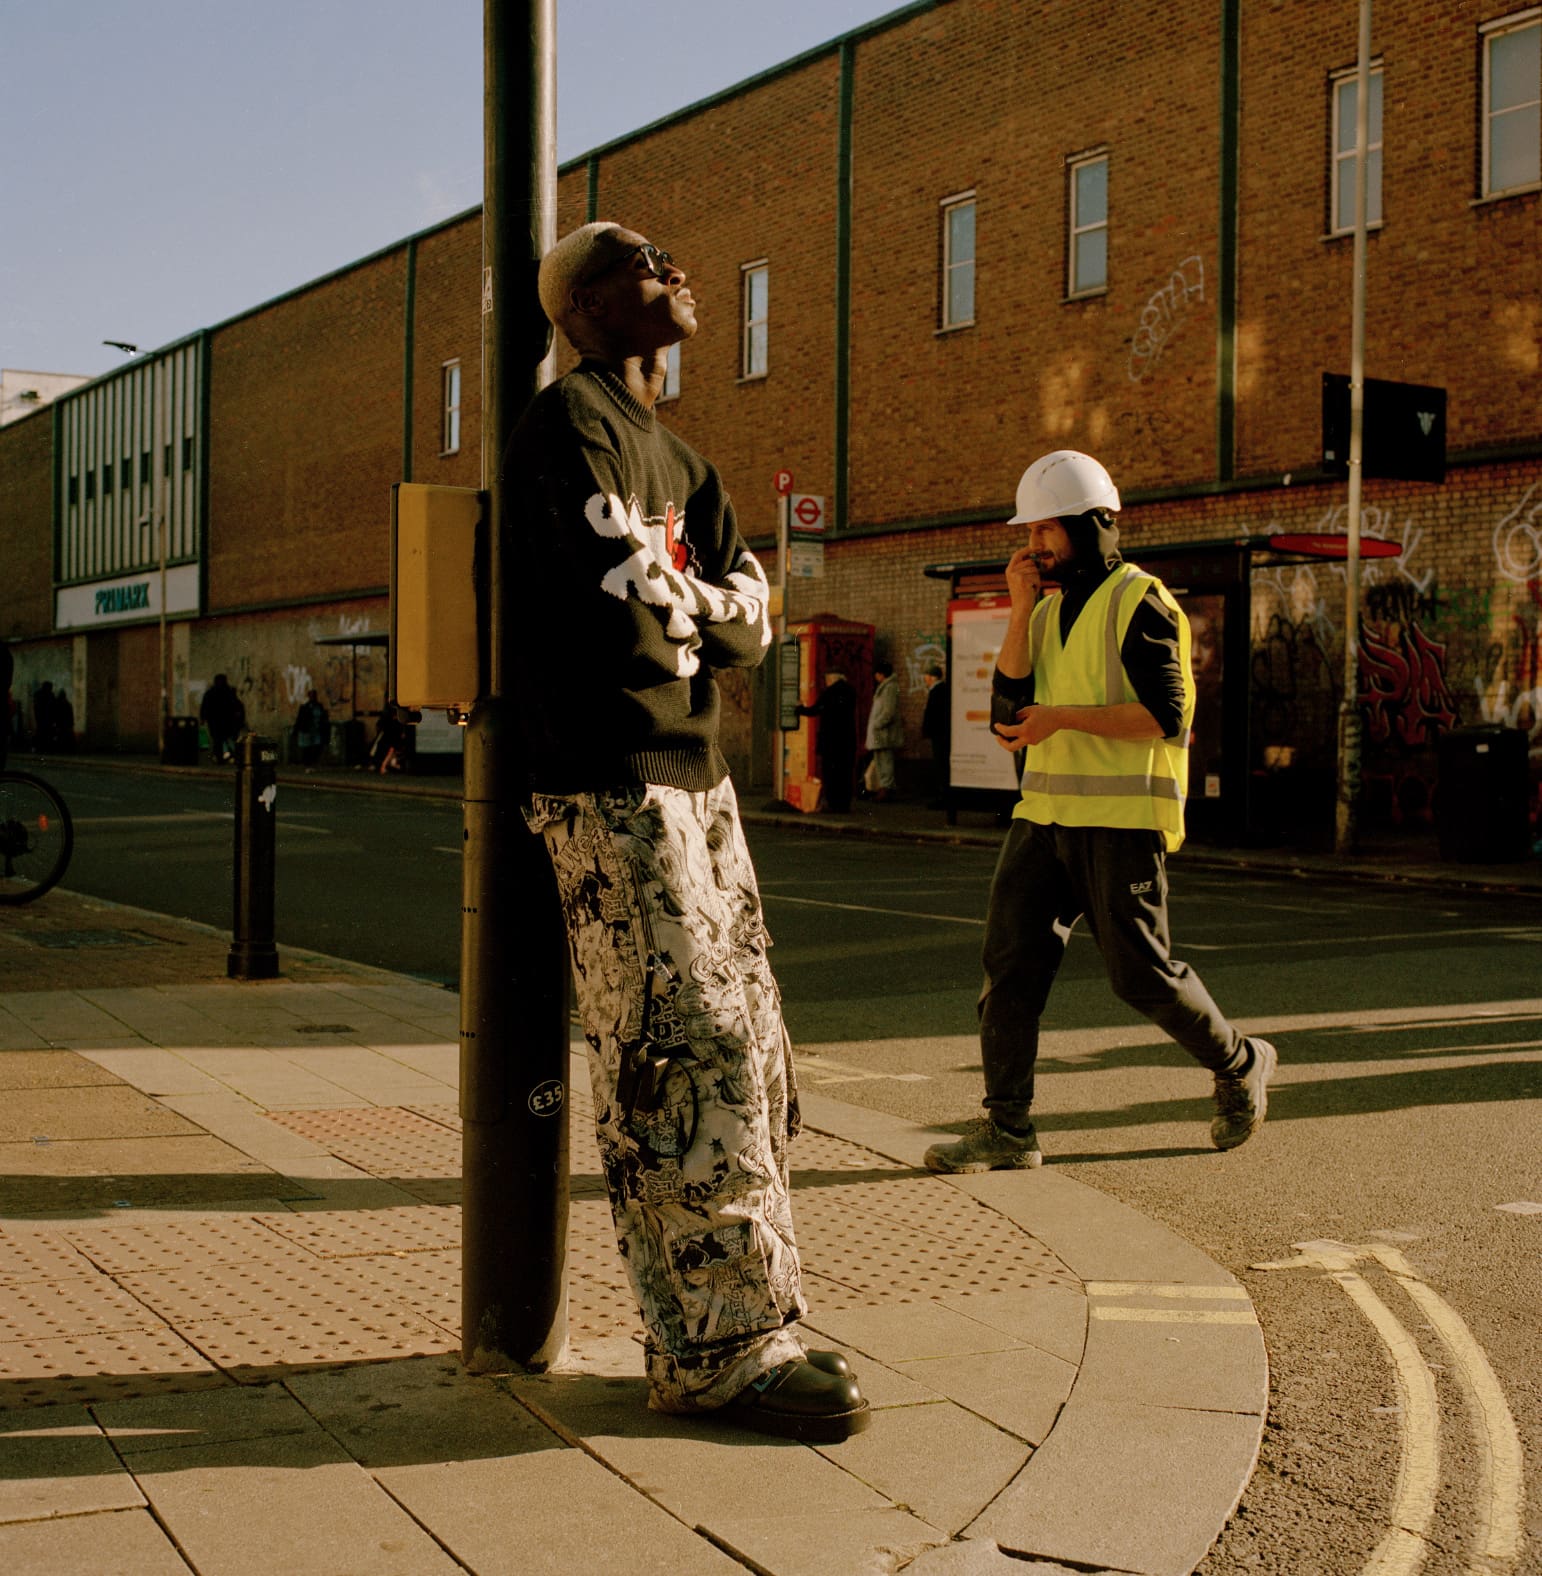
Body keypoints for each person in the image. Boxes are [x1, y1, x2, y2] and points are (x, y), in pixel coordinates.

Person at [507, 220, 868, 1442]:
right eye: (647, 257)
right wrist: (713, 609)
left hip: (697, 777)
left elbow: (748, 612)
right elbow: (633, 610)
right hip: (609, 779)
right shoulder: (569, 428)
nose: (678, 267)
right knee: (679, 1045)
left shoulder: (683, 459)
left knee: (750, 1036)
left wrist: (702, 610)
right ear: (586, 303)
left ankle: (755, 1316)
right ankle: (714, 1349)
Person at [924, 450, 1276, 1174]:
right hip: (1042, 818)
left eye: (1047, 531)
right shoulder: (1046, 610)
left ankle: (1241, 1062)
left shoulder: (1140, 600)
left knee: (1140, 975)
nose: (1033, 546)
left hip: (1121, 824)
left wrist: (1063, 720)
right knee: (1009, 970)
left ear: (1091, 526)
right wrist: (1020, 609)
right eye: (1030, 532)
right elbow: (1010, 711)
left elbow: (1167, 715)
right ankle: (1008, 1129)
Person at [795, 670, 858, 812]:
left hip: (831, 741)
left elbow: (815, 710)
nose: (826, 682)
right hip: (847, 740)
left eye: (827, 679)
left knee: (831, 774)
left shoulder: (829, 693)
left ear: (831, 678)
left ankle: (833, 803)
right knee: (845, 774)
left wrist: (800, 709)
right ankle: (844, 804)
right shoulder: (850, 691)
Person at [863, 660, 903, 802]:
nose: (875, 677)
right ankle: (883, 788)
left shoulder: (889, 688)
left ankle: (887, 788)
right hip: (880, 733)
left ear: (881, 674)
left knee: (885, 761)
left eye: (876, 674)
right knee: (881, 761)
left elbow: (888, 711)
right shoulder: (886, 687)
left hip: (884, 733)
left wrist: (877, 724)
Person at [920, 663, 950, 808]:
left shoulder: (937, 691)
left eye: (926, 675)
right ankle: (943, 796)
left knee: (941, 765)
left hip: (939, 735)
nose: (924, 679)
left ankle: (943, 797)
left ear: (932, 677)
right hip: (941, 734)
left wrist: (927, 730)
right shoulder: (941, 689)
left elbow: (933, 714)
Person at [200, 674, 245, 764]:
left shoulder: (211, 693)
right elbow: (237, 706)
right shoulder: (229, 692)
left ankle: (222, 757)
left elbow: (205, 707)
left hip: (217, 721)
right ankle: (232, 756)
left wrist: (203, 718)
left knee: (218, 741)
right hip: (227, 721)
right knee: (228, 740)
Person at [293, 688, 330, 767]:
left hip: (317, 730)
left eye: (314, 695)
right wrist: (296, 730)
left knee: (318, 745)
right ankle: (307, 763)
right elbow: (299, 719)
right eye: (312, 695)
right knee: (307, 748)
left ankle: (313, 761)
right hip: (307, 730)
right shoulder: (304, 707)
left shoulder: (319, 706)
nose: (313, 697)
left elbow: (323, 717)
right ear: (309, 696)